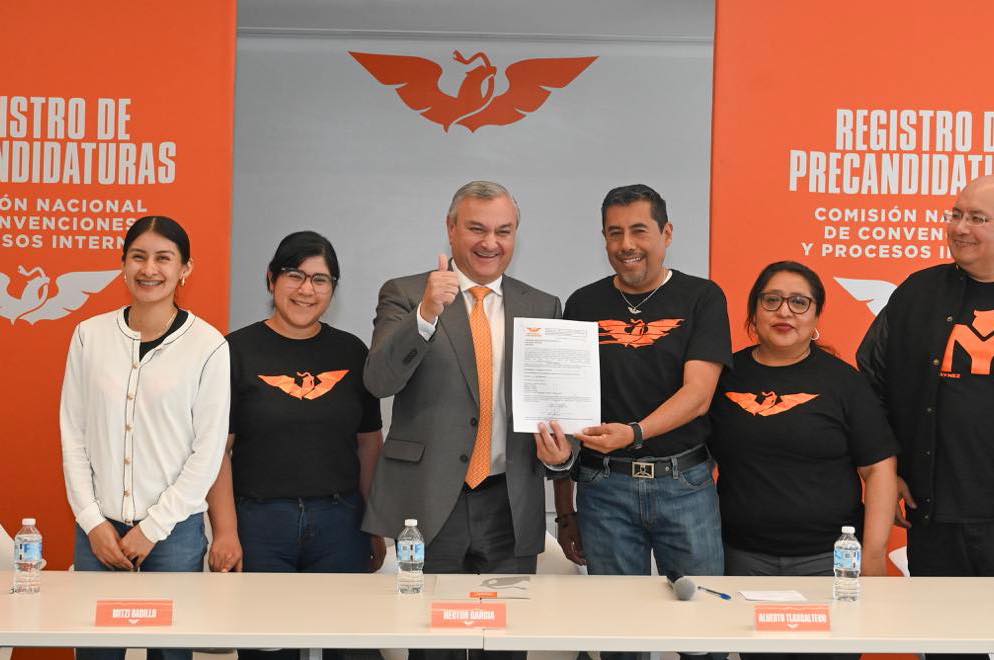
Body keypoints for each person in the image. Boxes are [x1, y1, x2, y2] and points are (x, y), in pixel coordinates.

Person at [362, 180, 572, 660]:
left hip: (509, 502)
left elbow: (554, 404)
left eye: (504, 231)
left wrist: (562, 455)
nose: (490, 243)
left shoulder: (543, 306)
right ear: (451, 228)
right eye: (477, 228)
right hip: (431, 502)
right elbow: (378, 380)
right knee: (434, 644)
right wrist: (426, 314)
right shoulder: (406, 293)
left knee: (506, 643)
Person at [552, 183, 730, 660]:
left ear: (666, 233)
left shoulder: (701, 297)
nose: (626, 244)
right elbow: (564, 413)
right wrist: (565, 511)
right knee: (618, 640)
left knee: (704, 634)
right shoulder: (583, 304)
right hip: (603, 489)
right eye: (614, 233)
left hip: (684, 486)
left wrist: (634, 433)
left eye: (639, 230)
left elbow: (698, 395)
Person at [206, 230, 384, 660]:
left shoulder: (352, 351)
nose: (307, 289)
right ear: (271, 280)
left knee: (350, 651)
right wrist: (226, 532)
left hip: (340, 524)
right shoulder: (234, 351)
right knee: (268, 650)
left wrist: (374, 524)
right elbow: (217, 452)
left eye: (320, 279)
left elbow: (369, 444)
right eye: (294, 275)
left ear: (333, 289)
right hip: (261, 525)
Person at [60, 215, 229, 660]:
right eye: (138, 257)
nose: (149, 269)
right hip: (99, 531)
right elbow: (73, 435)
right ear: (123, 265)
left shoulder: (208, 346)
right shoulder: (89, 336)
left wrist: (152, 529)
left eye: (163, 258)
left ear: (185, 269)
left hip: (174, 533)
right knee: (96, 652)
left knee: (170, 652)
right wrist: (91, 521)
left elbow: (208, 451)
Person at [710, 261, 897, 660]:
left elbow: (879, 467)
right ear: (754, 310)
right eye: (772, 300)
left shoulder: (844, 382)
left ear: (816, 315)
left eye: (799, 302)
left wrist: (873, 555)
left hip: (830, 564)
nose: (784, 311)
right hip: (744, 560)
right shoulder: (723, 376)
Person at [858, 175, 994, 660]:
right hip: (937, 515)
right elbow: (868, 383)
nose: (960, 227)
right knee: (945, 649)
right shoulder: (918, 292)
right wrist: (888, 470)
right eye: (955, 214)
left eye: (977, 218)